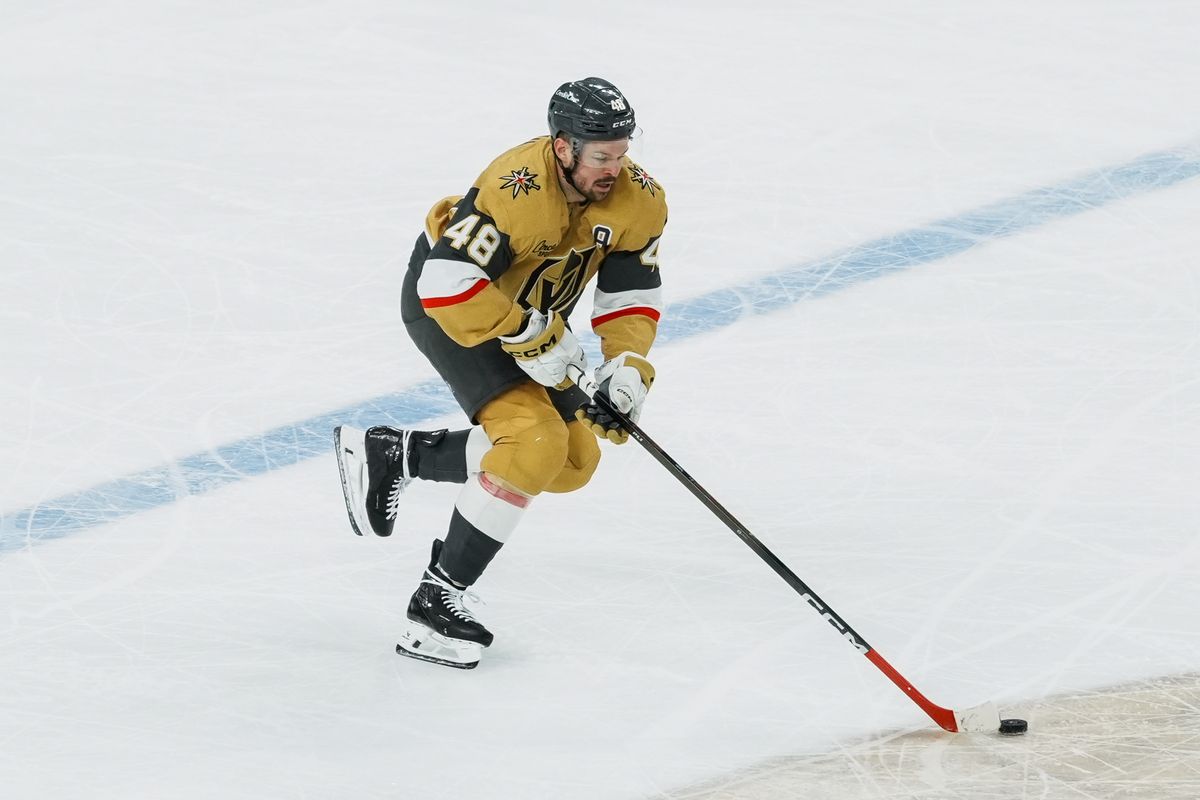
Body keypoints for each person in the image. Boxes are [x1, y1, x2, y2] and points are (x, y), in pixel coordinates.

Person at [334, 77, 667, 669]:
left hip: (530, 321)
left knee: (572, 461)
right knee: (534, 442)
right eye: (600, 157)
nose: (614, 167)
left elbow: (629, 297)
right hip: (458, 309)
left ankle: (398, 455)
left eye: (620, 152)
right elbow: (445, 286)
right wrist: (527, 333)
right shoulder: (516, 189)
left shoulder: (638, 200)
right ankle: (435, 603)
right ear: (563, 146)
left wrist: (627, 365)